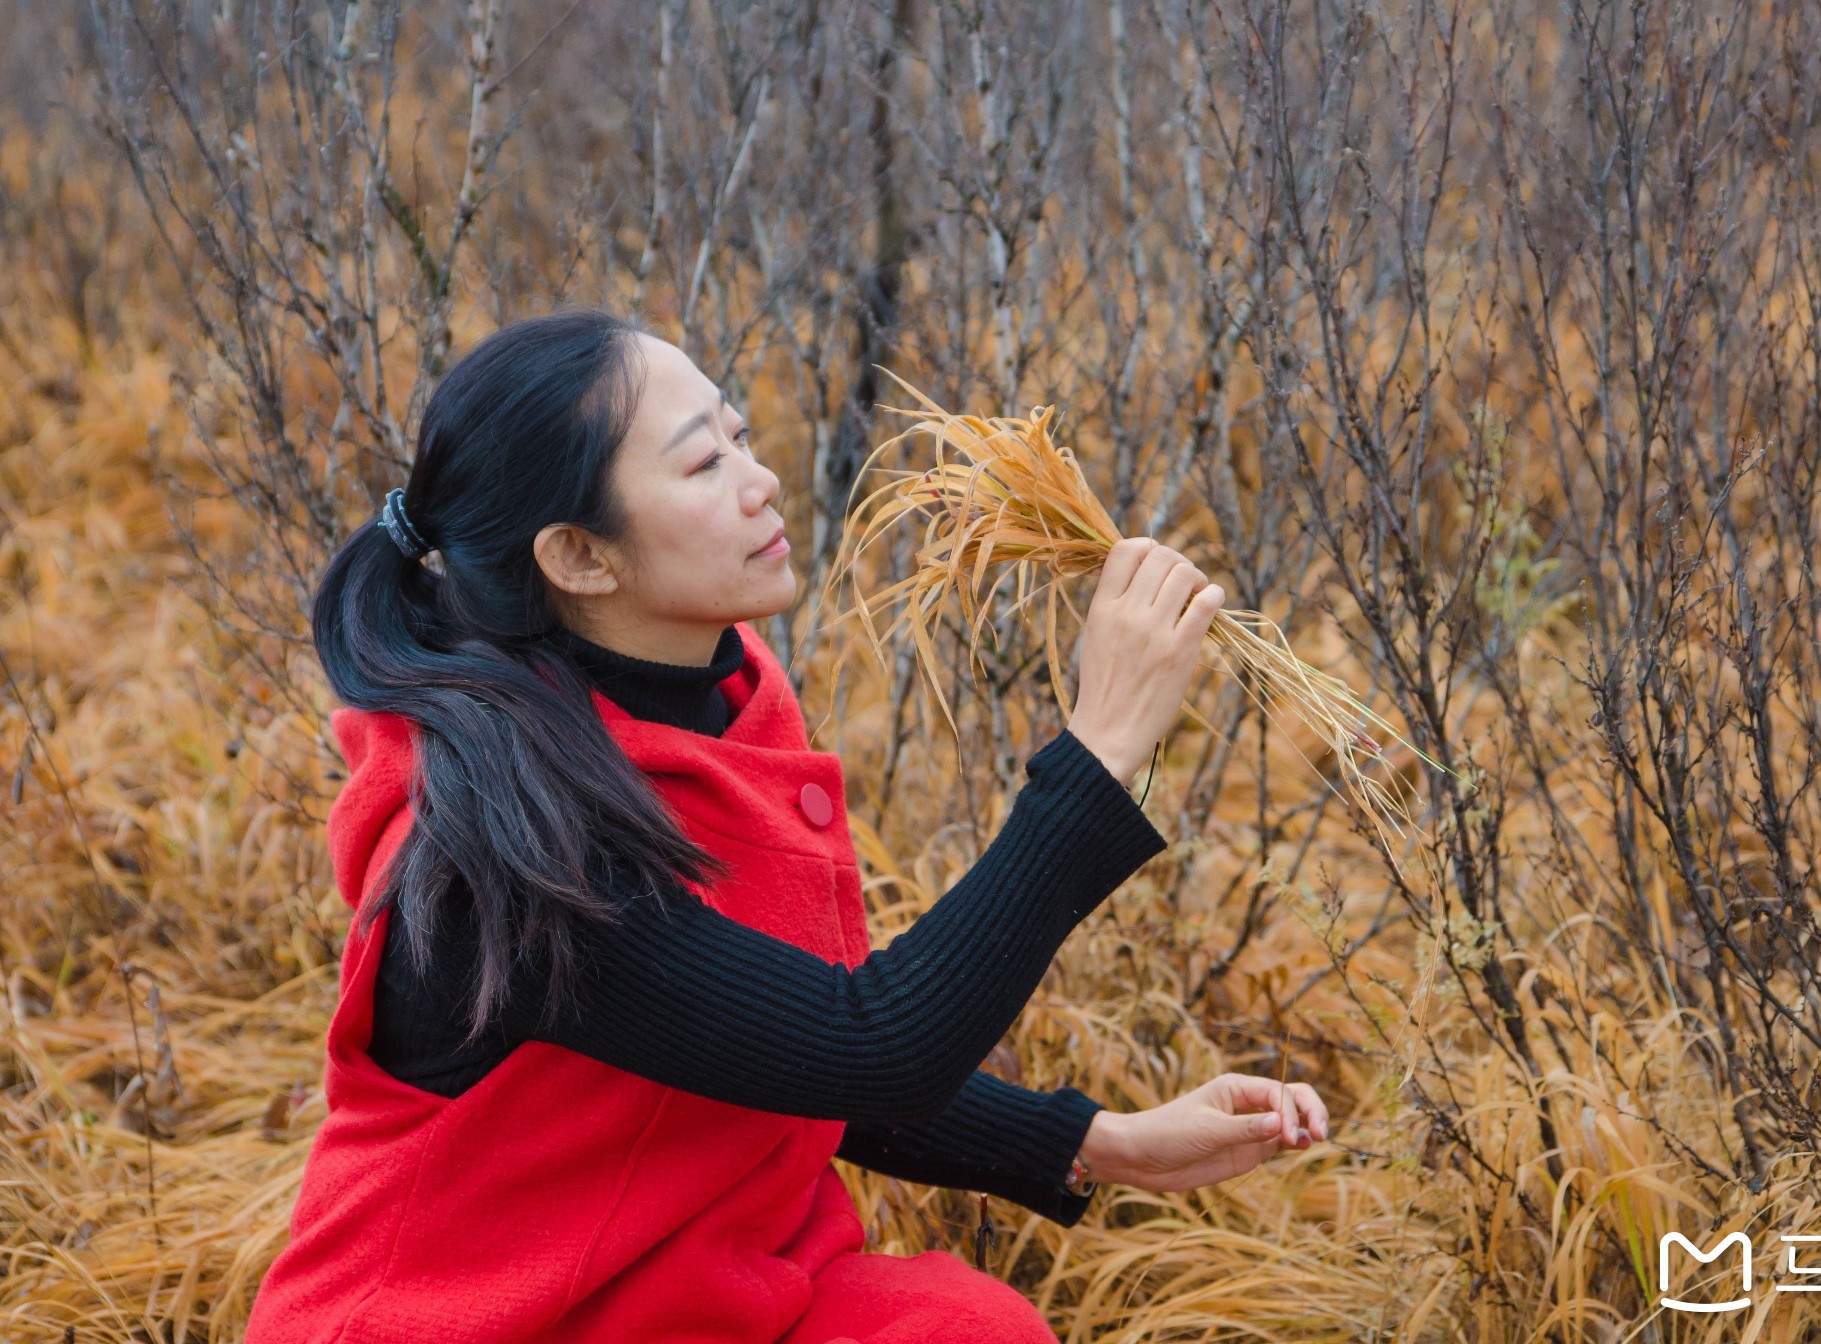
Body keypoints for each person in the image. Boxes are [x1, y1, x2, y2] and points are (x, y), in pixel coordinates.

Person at [243, 308, 1330, 1344]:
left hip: (672, 1291)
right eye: (702, 464)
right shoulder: (508, 856)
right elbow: (874, 1051)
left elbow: (775, 1044)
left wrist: (1098, 1145)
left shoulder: (717, 690)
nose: (761, 481)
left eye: (739, 434)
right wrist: (1096, 751)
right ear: (578, 556)